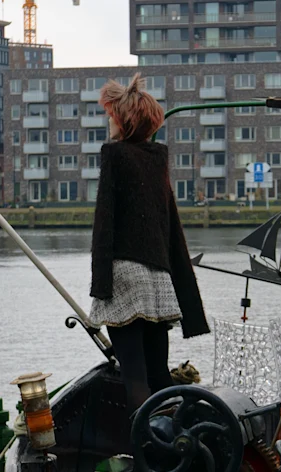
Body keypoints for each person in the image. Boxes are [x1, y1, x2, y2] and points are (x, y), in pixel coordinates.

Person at [89, 73, 210, 413]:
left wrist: (100, 290)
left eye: (112, 114)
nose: (108, 120)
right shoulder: (158, 160)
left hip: (125, 276)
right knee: (159, 375)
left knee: (134, 378)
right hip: (159, 280)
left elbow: (104, 224)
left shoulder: (114, 155)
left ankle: (143, 443)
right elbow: (172, 227)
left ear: (125, 121)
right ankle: (171, 439)